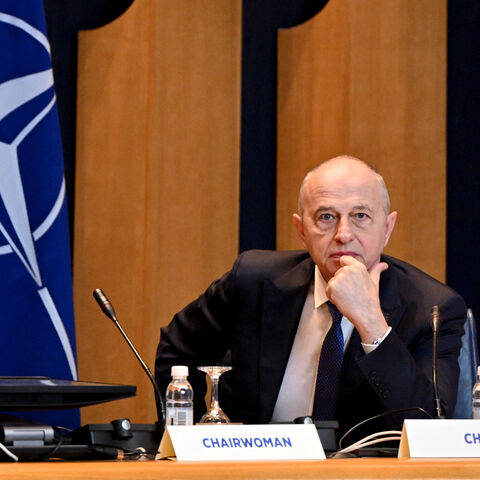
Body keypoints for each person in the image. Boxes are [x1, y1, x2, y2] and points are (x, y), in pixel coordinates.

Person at [155, 155, 466, 440]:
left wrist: (371, 322)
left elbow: (428, 428)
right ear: (301, 230)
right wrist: (189, 440)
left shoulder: (433, 309)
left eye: (360, 215)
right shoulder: (252, 281)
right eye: (327, 217)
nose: (344, 233)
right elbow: (176, 350)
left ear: (387, 228)